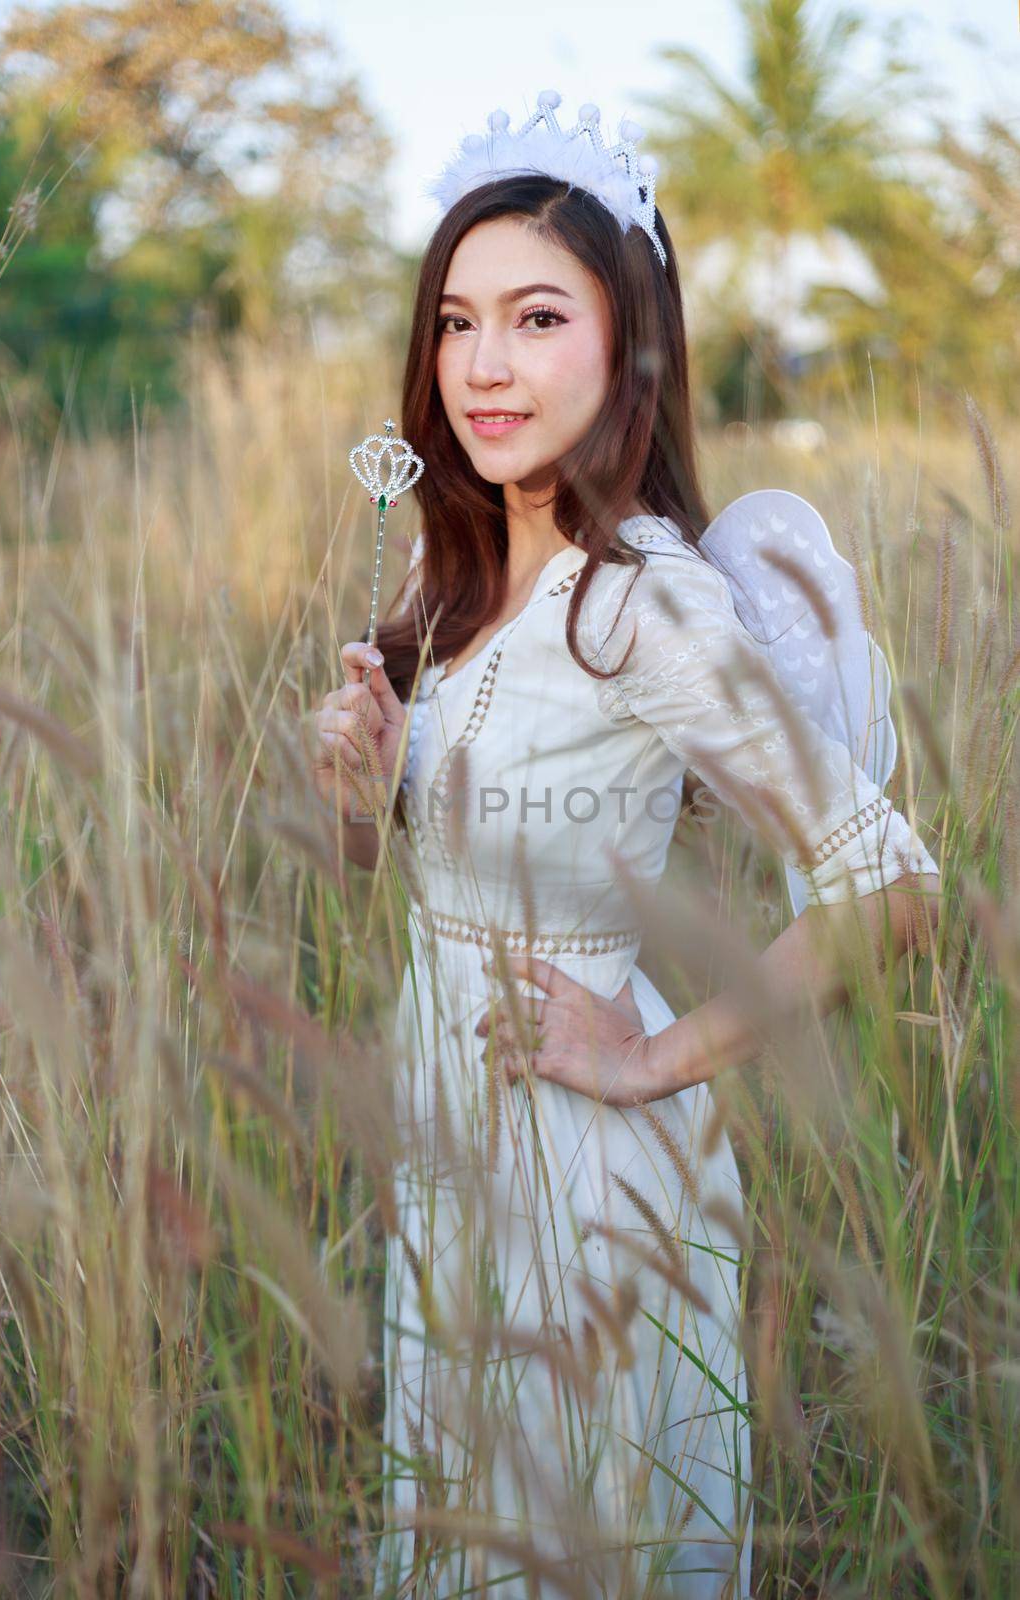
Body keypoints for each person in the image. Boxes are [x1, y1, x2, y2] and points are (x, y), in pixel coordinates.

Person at [311, 91, 941, 1600]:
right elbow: (406, 877)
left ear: (628, 341)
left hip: (584, 1159)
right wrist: (365, 794)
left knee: (570, 1535)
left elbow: (890, 883)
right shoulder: (458, 575)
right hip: (457, 1119)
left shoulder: (643, 600)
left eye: (537, 317)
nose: (486, 366)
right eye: (458, 323)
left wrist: (649, 1061)